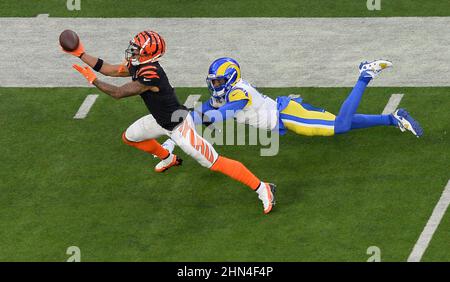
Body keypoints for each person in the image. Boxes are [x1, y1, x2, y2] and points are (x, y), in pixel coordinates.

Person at [62, 31, 276, 214]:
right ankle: (168, 157)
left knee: (214, 162)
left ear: (148, 53)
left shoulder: (151, 74)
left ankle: (262, 188)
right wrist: (80, 53)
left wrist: (94, 81)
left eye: (137, 48)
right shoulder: (141, 65)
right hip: (161, 120)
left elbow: (118, 93)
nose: (132, 50)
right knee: (130, 137)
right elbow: (110, 69)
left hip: (179, 126)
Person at [160, 57, 423, 157]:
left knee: (340, 125)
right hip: (287, 113)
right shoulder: (226, 92)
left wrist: (203, 117)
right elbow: (199, 113)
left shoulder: (238, 92)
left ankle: (365, 75)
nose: (214, 84)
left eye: (217, 80)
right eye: (213, 80)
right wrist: (172, 135)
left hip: (287, 115)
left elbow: (220, 114)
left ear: (229, 78)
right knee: (340, 122)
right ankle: (393, 118)